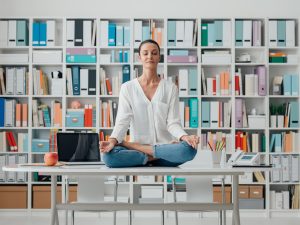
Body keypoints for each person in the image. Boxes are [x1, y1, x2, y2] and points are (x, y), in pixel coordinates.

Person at [100, 39, 199, 167]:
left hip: (163, 148)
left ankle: (137, 150)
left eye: (154, 53)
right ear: (139, 57)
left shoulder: (170, 88)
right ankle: (152, 157)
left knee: (189, 150)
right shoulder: (127, 88)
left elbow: (173, 123)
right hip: (161, 155)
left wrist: (185, 137)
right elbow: (122, 121)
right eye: (145, 53)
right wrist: (113, 141)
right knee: (108, 157)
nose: (150, 57)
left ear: (159, 57)